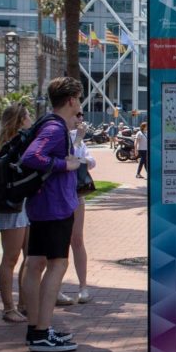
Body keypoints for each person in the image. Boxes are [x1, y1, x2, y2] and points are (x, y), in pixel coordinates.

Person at [20, 77, 84, 352]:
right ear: (71, 99)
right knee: (57, 264)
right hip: (54, 206)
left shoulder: (48, 123)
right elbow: (31, 157)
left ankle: (36, 328)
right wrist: (64, 164)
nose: (80, 103)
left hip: (43, 204)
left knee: (35, 263)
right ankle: (42, 331)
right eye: (79, 99)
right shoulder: (55, 128)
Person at [0, 104, 32, 322]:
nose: (31, 119)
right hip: (12, 206)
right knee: (11, 258)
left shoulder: (21, 142)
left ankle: (24, 303)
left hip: (24, 205)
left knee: (29, 256)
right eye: (28, 116)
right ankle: (8, 307)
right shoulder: (10, 146)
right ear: (20, 120)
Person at [61, 113, 95, 305]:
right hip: (60, 196)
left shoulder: (77, 139)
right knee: (60, 241)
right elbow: (67, 159)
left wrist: (84, 161)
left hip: (77, 194)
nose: (79, 120)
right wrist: (79, 140)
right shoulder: (58, 136)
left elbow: (90, 160)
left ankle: (83, 287)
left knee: (77, 239)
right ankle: (56, 289)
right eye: (77, 116)